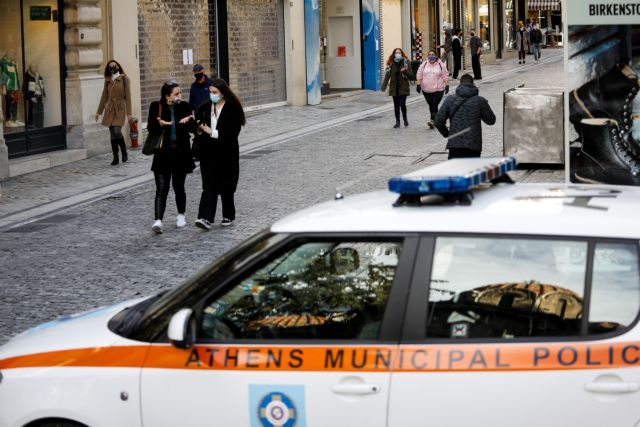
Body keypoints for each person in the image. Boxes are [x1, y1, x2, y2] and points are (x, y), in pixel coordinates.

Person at [193, 78, 246, 230]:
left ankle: (228, 214)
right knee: (209, 185)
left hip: (227, 152)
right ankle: (205, 218)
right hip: (208, 152)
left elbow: (232, 133)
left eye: (215, 92)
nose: (212, 95)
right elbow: (198, 128)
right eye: (210, 92)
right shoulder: (204, 107)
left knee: (227, 185)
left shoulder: (232, 108)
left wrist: (213, 132)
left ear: (223, 92)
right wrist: (199, 129)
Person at [147, 80, 196, 234]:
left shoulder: (185, 106)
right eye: (176, 94)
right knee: (162, 188)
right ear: (167, 96)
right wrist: (160, 124)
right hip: (163, 154)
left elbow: (193, 129)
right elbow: (151, 127)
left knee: (179, 186)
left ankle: (181, 215)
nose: (179, 96)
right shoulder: (156, 106)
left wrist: (190, 120)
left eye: (180, 93)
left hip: (180, 153)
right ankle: (158, 220)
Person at [434, 73, 496, 159]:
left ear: (460, 84)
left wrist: (447, 134)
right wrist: (484, 105)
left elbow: (438, 121)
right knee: (472, 167)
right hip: (473, 146)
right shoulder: (480, 101)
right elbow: (491, 120)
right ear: (473, 84)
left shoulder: (450, 99)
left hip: (455, 145)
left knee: (455, 167)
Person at [95, 60, 132, 165]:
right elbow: (104, 96)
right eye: (110, 66)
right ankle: (115, 157)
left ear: (118, 66)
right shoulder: (107, 80)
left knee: (116, 131)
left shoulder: (125, 79)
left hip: (120, 108)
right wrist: (99, 112)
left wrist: (129, 113)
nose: (112, 68)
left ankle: (124, 152)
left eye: (114, 66)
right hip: (110, 109)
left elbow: (128, 97)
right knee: (112, 134)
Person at [416, 49, 449, 129]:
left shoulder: (441, 64)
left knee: (434, 104)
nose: (431, 56)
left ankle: (432, 120)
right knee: (431, 105)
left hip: (438, 89)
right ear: (427, 56)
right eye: (430, 55)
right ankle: (437, 121)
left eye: (433, 54)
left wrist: (447, 85)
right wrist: (418, 85)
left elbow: (445, 75)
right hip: (426, 89)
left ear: (436, 55)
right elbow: (419, 74)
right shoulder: (424, 64)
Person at [381, 48, 413, 128]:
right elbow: (387, 76)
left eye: (399, 52)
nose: (398, 54)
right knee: (396, 106)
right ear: (394, 54)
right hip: (394, 88)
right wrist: (384, 86)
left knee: (402, 104)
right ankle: (397, 122)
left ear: (402, 54)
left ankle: (405, 118)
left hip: (403, 87)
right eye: (396, 52)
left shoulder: (406, 62)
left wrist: (405, 71)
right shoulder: (390, 63)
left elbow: (411, 76)